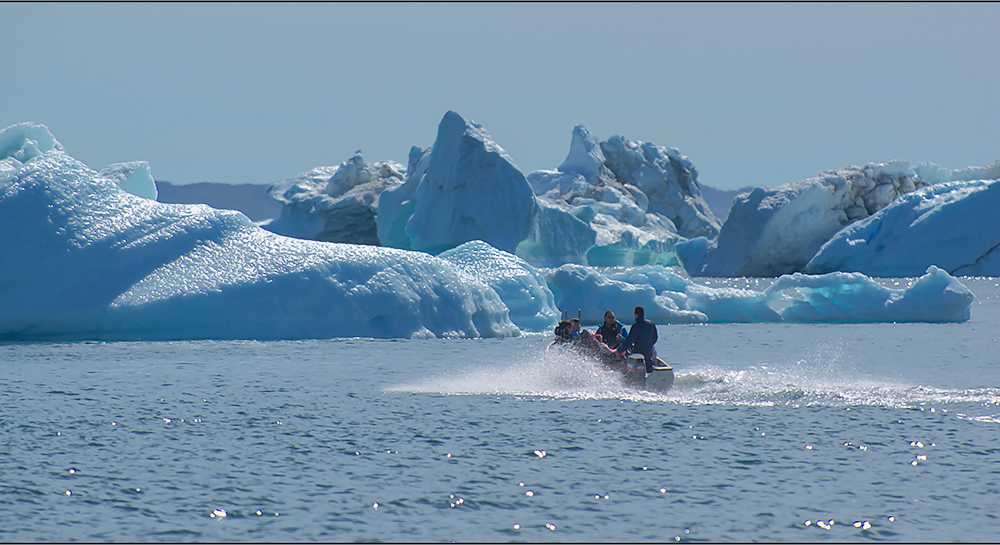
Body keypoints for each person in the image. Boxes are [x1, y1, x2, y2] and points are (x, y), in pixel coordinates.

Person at [616, 306, 658, 373]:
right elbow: (655, 338)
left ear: (635, 315)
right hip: (648, 355)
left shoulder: (635, 326)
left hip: (638, 356)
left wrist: (618, 350)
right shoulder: (651, 324)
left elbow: (628, 342)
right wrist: (648, 345)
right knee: (648, 367)